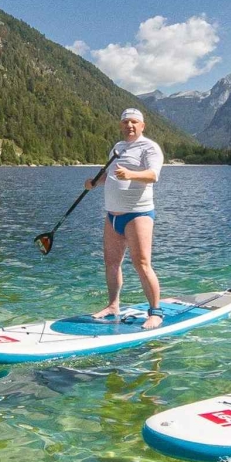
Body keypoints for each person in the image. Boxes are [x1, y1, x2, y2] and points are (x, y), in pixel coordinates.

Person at [84, 108, 165, 329]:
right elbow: (110, 176)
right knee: (111, 263)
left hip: (137, 214)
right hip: (112, 216)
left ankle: (156, 312)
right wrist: (95, 182)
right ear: (121, 125)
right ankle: (113, 306)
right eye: (126, 122)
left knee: (141, 264)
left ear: (142, 126)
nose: (129, 126)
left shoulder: (150, 147)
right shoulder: (117, 148)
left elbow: (153, 175)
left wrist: (131, 175)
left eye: (134, 122)